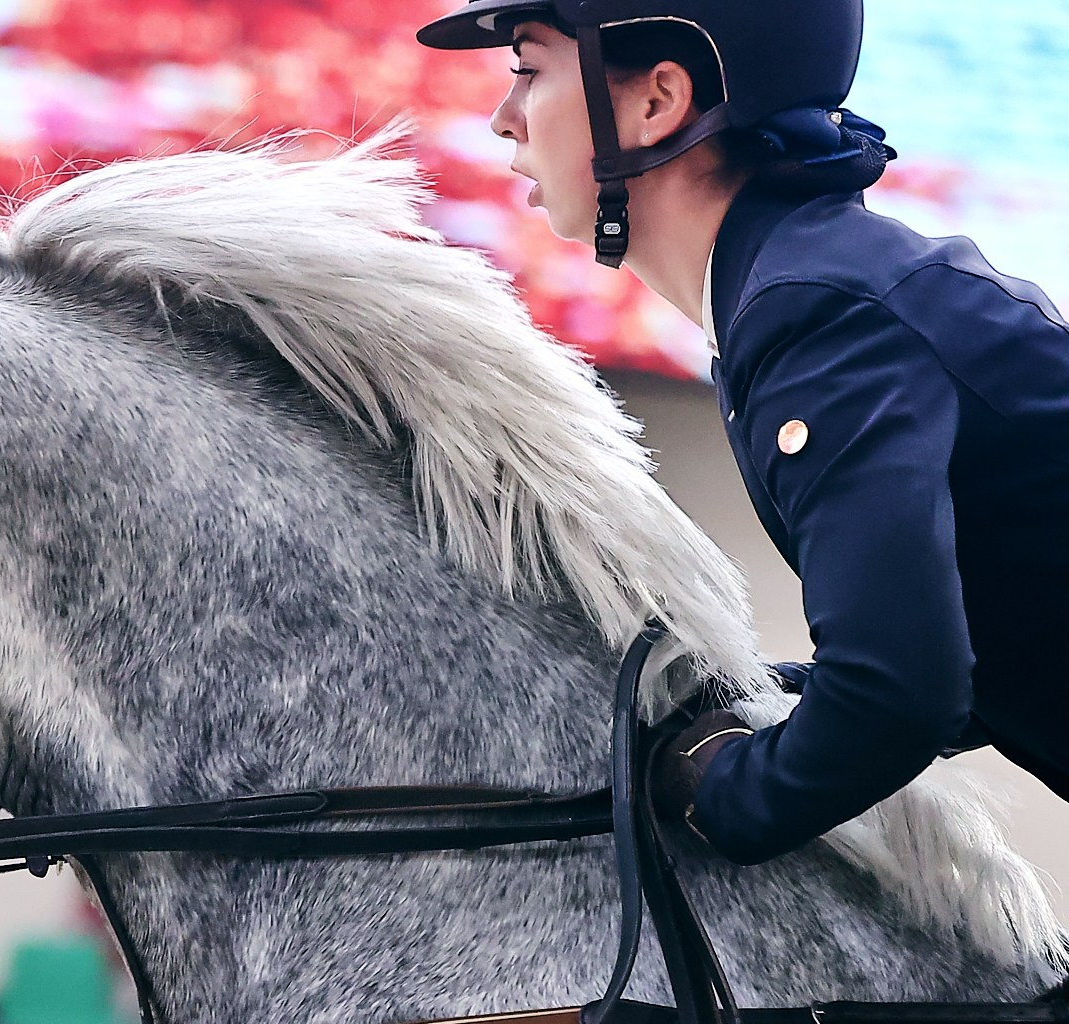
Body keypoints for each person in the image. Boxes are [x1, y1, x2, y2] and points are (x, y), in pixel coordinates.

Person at [417, 0, 1069, 865]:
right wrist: (764, 699)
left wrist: (714, 789)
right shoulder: (811, 286)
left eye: (529, 71)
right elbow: (1005, 628)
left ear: (658, 102)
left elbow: (899, 693)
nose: (502, 118)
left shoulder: (815, 315)